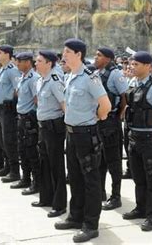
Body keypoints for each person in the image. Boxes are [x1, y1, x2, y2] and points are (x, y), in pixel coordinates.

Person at [54, 38, 111, 243]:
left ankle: (90, 224)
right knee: (75, 178)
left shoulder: (89, 77)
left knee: (90, 181)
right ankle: (75, 217)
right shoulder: (70, 76)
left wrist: (97, 118)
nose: (63, 55)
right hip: (72, 133)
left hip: (86, 134)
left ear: (79, 54)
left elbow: (105, 105)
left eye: (67, 52)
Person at [122, 51, 152, 232]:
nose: (132, 67)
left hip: (150, 139)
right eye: (131, 64)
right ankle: (140, 208)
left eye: (136, 64)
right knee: (138, 177)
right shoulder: (133, 84)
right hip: (134, 138)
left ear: (147, 66)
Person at [33, 50, 67, 218]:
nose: (36, 63)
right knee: (44, 163)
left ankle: (59, 204)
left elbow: (64, 105)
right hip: (43, 126)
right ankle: (46, 198)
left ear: (49, 63)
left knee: (56, 166)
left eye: (39, 61)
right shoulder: (40, 80)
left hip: (54, 128)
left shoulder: (54, 80)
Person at [93, 47, 128, 211]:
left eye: (99, 55)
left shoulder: (115, 74)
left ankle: (116, 196)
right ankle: (100, 192)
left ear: (108, 59)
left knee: (113, 161)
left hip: (111, 123)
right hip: (99, 121)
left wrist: (118, 116)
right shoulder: (97, 73)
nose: (96, 57)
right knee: (99, 160)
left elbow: (124, 97)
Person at [13, 52, 41, 194]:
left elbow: (37, 100)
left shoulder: (33, 78)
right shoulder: (23, 77)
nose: (17, 63)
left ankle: (36, 182)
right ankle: (25, 179)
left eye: (20, 61)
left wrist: (32, 116)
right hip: (21, 118)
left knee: (32, 152)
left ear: (28, 62)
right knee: (22, 150)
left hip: (29, 119)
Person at [0, 45, 21, 182]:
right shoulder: (2, 70)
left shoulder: (12, 70)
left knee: (9, 140)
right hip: (1, 109)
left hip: (8, 110)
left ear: (7, 54)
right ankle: (7, 166)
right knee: (2, 139)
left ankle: (15, 171)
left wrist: (13, 104)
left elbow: (18, 89)